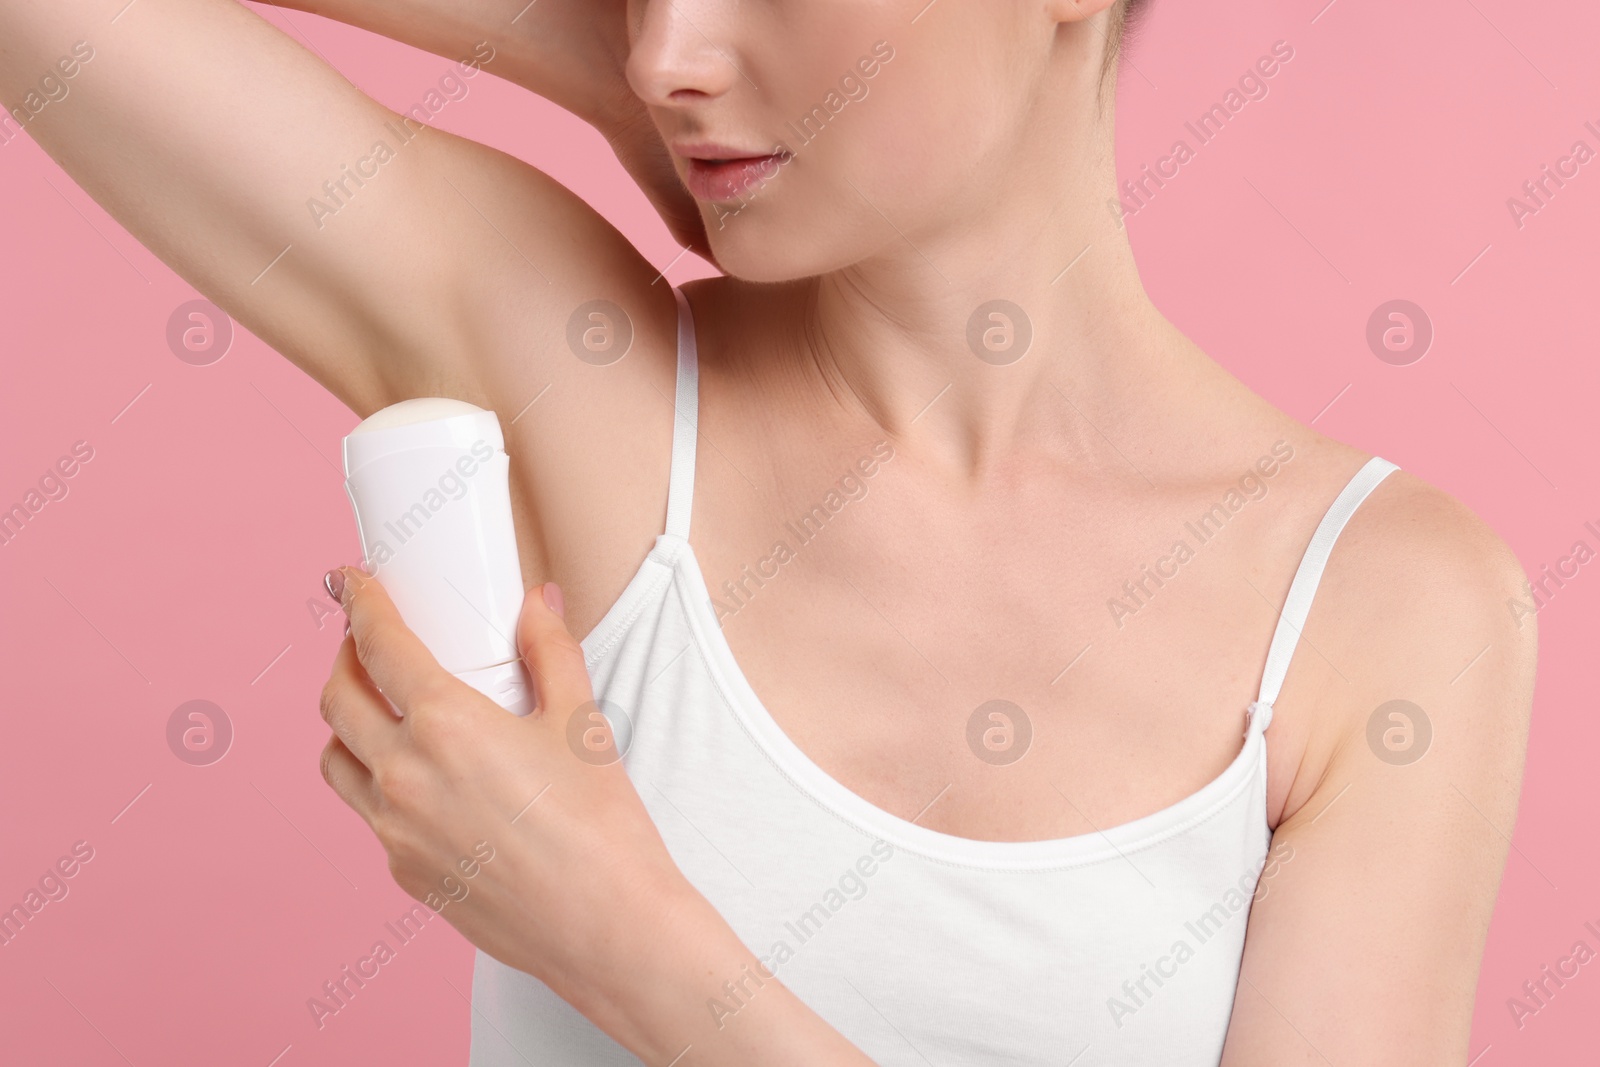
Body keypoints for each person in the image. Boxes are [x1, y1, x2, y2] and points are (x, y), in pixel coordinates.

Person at [1, 1, 1536, 1063]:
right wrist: (596, 62)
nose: (672, 47)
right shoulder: (595, 401)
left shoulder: (1387, 613)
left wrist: (636, 950)